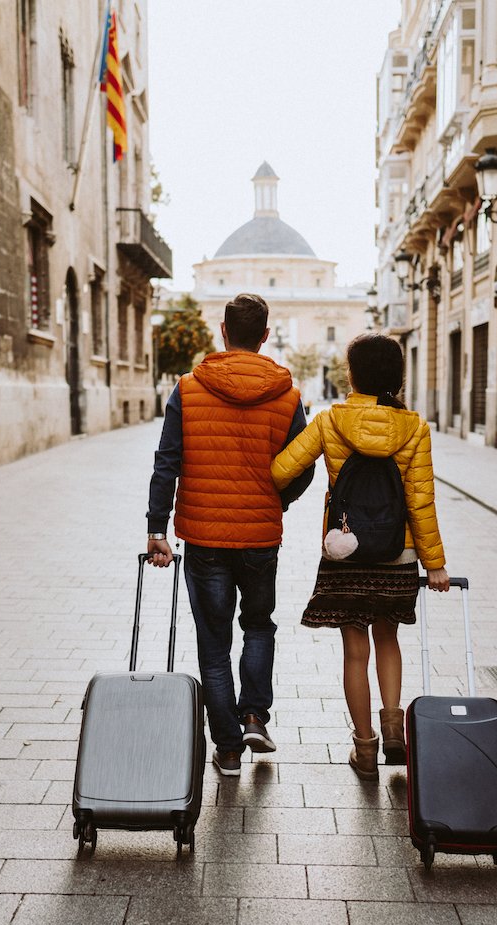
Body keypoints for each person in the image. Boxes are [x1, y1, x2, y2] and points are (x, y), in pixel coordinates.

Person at [146, 293, 314, 777]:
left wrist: (157, 527)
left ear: (223, 331)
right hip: (260, 536)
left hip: (204, 537)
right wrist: (276, 501)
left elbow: (167, 462)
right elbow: (302, 465)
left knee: (214, 641)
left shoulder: (188, 388)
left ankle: (228, 748)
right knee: (258, 625)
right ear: (265, 335)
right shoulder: (287, 395)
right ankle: (255, 715)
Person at [271, 333, 448, 781]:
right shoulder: (415, 428)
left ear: (352, 375)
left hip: (345, 550)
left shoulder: (331, 420)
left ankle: (365, 749)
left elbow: (281, 470)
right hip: (397, 553)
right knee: (388, 639)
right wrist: (435, 564)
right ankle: (394, 729)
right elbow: (420, 501)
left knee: (355, 651)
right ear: (398, 377)